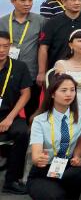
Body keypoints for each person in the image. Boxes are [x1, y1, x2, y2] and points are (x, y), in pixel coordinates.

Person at [27, 74, 81, 200]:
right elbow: (36, 155)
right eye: (64, 90)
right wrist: (39, 158)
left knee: (79, 173)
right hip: (44, 170)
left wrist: (77, 156)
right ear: (53, 94)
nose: (69, 94)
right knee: (56, 196)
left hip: (67, 165)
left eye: (72, 90)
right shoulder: (39, 120)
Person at [0, 0, 45, 120]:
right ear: (12, 1)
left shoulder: (41, 21)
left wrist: (42, 72)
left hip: (31, 73)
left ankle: (30, 132)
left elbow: (43, 47)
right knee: (6, 108)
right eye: (23, 0)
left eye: (30, 0)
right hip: (7, 73)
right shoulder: (2, 21)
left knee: (32, 110)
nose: (27, 4)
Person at [38, 0, 81, 86]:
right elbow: (43, 48)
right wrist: (41, 72)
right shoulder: (52, 23)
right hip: (58, 71)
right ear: (64, 2)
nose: (77, 2)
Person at [0, 31, 31, 195]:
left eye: (5, 46)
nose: (2, 50)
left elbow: (26, 93)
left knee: (22, 133)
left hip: (10, 113)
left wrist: (10, 118)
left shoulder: (19, 67)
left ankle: (11, 181)